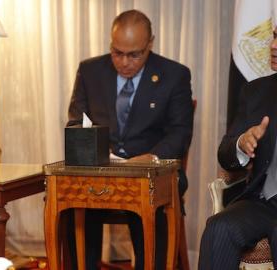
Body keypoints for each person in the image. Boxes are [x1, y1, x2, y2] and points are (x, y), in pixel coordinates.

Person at [66, 9, 194, 270]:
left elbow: (180, 133)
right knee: (69, 195)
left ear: (150, 44)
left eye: (134, 54)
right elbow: (76, 123)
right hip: (103, 170)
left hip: (152, 170)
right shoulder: (90, 71)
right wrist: (96, 152)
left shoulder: (174, 75)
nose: (124, 62)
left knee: (153, 196)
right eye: (117, 52)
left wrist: (153, 158)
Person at [198, 31, 277, 269]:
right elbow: (225, 154)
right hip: (265, 202)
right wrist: (242, 143)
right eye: (274, 36)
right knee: (218, 227)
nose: (273, 46)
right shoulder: (256, 92)